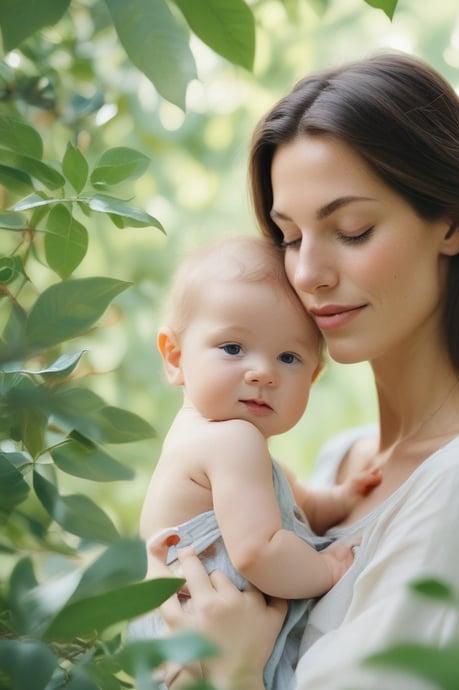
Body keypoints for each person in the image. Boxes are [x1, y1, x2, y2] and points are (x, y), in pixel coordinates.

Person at [156, 53, 459, 690]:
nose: (308, 274)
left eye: (353, 230)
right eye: (290, 236)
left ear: (452, 221)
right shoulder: (341, 466)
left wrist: (234, 674)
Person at [130, 235, 381, 689]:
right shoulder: (233, 441)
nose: (262, 372)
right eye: (232, 348)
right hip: (204, 651)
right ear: (174, 357)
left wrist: (339, 499)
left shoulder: (210, 440)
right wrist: (327, 571)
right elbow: (257, 550)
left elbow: (292, 507)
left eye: (288, 357)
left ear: (313, 375)